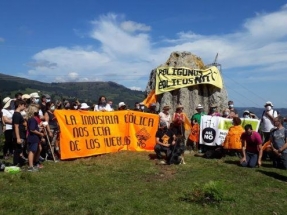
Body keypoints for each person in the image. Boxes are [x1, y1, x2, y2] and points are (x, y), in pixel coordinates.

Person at [26, 104, 45, 171]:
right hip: (33, 137)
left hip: (35, 137)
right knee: (32, 151)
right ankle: (31, 166)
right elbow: (32, 129)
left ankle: (34, 163)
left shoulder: (32, 119)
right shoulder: (32, 119)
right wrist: (40, 133)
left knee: (36, 150)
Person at [12, 99, 27, 166]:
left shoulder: (19, 114)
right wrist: (18, 138)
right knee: (17, 149)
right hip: (19, 135)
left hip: (21, 134)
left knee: (20, 149)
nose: (24, 107)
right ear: (19, 105)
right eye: (23, 105)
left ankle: (20, 161)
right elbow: (16, 126)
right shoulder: (17, 115)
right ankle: (16, 163)